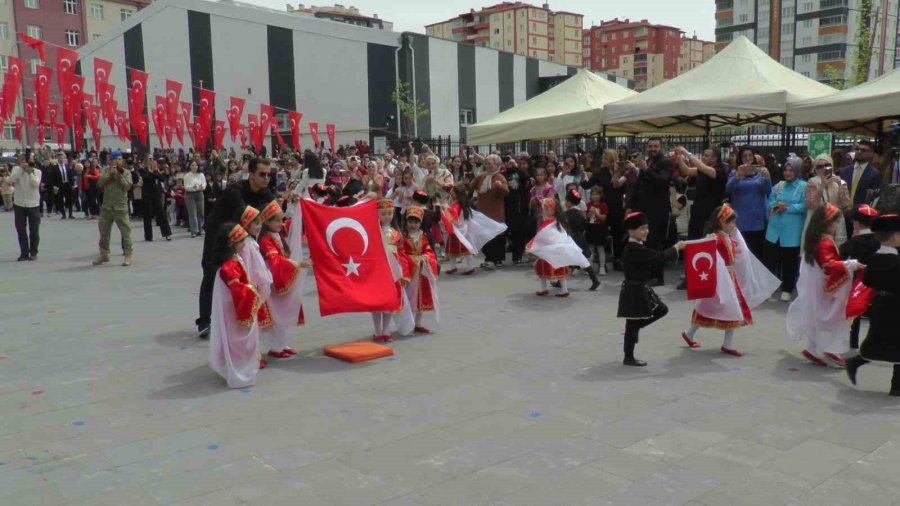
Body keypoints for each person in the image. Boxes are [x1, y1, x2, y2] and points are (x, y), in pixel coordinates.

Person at [197, 158, 275, 338]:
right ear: (251, 174)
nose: (266, 178)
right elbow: (244, 213)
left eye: (269, 175)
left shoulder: (265, 193)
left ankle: (238, 317)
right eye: (262, 174)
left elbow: (275, 212)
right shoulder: (235, 190)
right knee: (211, 274)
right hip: (218, 235)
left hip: (240, 238)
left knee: (242, 277)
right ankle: (204, 322)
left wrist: (294, 202)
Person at [786, 204, 862, 367]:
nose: (836, 227)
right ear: (826, 223)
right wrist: (851, 264)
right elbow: (829, 265)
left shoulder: (816, 239)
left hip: (818, 284)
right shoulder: (824, 242)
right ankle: (826, 348)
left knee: (817, 315)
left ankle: (814, 349)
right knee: (829, 316)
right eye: (835, 223)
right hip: (825, 286)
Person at [681, 205, 752, 356]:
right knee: (711, 307)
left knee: (728, 309)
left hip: (730, 279)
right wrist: (683, 245)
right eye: (731, 222)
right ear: (722, 223)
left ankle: (723, 343)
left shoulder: (729, 237)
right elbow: (700, 246)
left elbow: (739, 252)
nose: (734, 226)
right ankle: (690, 334)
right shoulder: (716, 238)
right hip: (720, 280)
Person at [617, 212, 686, 366]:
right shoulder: (634, 248)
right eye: (642, 228)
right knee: (633, 323)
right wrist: (676, 247)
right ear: (631, 231)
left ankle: (633, 333)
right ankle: (628, 357)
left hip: (639, 288)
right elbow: (660, 258)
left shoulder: (636, 246)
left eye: (647, 228)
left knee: (660, 310)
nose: (646, 231)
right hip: (634, 291)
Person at [845, 214, 900, 396]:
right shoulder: (896, 261)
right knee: (891, 342)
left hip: (878, 303)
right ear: (893, 236)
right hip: (895, 306)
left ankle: (856, 362)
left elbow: (867, 280)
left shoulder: (874, 259)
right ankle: (896, 386)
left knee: (878, 339)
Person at [208, 223, 262, 389]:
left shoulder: (234, 260)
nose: (244, 245)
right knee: (237, 340)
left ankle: (236, 366)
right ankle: (239, 371)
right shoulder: (230, 265)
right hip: (234, 309)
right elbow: (237, 290)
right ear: (232, 244)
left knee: (235, 340)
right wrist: (253, 289)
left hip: (234, 306)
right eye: (241, 242)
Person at [258, 200, 308, 359]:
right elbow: (275, 262)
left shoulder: (278, 234)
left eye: (281, 219)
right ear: (267, 221)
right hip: (274, 280)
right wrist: (299, 264)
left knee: (284, 311)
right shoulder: (266, 240)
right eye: (277, 220)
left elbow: (294, 222)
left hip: (282, 277)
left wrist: (300, 203)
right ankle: (275, 346)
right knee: (276, 313)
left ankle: (283, 344)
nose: (281, 223)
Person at [627, 138, 673, 286]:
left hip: (658, 211)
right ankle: (648, 274)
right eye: (650, 146)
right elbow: (638, 186)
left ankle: (658, 277)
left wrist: (647, 169)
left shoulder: (665, 163)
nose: (653, 149)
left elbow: (662, 181)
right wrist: (630, 206)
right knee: (645, 242)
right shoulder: (648, 162)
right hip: (644, 210)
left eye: (656, 146)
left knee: (655, 243)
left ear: (660, 147)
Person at [764, 157, 807, 301]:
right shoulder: (778, 185)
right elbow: (770, 200)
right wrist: (775, 205)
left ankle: (787, 288)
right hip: (774, 229)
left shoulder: (803, 186)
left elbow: (804, 206)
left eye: (791, 170)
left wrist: (788, 208)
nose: (788, 173)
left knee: (789, 260)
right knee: (771, 259)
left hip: (792, 230)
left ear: (797, 171)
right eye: (786, 170)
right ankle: (769, 287)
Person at [527, 198, 589, 297]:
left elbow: (542, 234)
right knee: (554, 267)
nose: (544, 211)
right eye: (544, 208)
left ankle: (554, 289)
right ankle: (559, 289)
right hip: (552, 249)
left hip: (550, 250)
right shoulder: (557, 220)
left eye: (546, 209)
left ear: (553, 210)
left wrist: (533, 244)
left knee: (547, 267)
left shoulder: (550, 222)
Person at [236, 205, 274, 369]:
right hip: (252, 287)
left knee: (253, 325)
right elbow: (250, 266)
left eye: (259, 223)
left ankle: (253, 355)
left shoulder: (250, 242)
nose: (258, 226)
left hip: (254, 287)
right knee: (251, 326)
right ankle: (251, 357)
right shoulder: (247, 244)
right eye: (255, 223)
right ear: (246, 225)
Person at [839, 204, 881, 349]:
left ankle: (853, 342)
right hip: (877, 284)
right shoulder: (880, 240)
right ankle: (875, 344)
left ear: (856, 223)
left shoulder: (852, 243)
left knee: (854, 314)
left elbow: (840, 259)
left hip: (857, 284)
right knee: (876, 315)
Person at [373, 198, 413, 342]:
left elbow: (402, 254)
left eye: (389, 213)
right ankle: (377, 331)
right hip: (379, 272)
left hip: (393, 273)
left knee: (390, 301)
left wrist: (404, 274)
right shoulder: (374, 232)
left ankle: (386, 330)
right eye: (383, 214)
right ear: (377, 215)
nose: (386, 217)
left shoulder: (397, 233)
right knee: (377, 302)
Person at [725, 146, 772, 259]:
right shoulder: (734, 173)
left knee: (756, 253)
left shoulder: (760, 172)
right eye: (744, 156)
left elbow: (768, 190)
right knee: (741, 254)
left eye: (750, 155)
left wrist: (767, 178)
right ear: (740, 158)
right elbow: (728, 189)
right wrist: (738, 176)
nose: (747, 158)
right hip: (740, 218)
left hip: (756, 218)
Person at [93, 151, 134, 267]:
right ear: (111, 161)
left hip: (120, 207)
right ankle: (104, 254)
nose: (119, 161)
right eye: (117, 159)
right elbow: (99, 183)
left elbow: (127, 186)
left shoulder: (125, 172)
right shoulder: (106, 170)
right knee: (104, 231)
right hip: (107, 207)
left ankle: (128, 255)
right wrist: (110, 175)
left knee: (125, 232)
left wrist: (119, 177)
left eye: (121, 159)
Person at [402, 206, 439, 334]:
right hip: (410, 272)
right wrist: (413, 259)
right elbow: (401, 254)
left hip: (422, 271)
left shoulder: (423, 235)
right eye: (410, 221)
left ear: (420, 223)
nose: (413, 225)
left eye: (416, 222)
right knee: (409, 298)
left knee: (421, 299)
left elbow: (428, 250)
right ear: (406, 221)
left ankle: (417, 323)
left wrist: (426, 257)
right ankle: (408, 323)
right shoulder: (402, 236)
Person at [470, 154, 509, 269]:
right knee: (484, 236)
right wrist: (468, 182)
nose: (487, 166)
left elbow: (505, 192)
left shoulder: (500, 177)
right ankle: (490, 258)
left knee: (495, 236)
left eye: (490, 163)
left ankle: (494, 259)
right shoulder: (481, 176)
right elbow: (472, 186)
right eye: (486, 163)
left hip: (495, 211)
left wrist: (500, 187)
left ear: (497, 165)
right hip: (482, 211)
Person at [804, 154, 851, 246]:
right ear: (815, 168)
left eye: (827, 165)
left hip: (835, 220)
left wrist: (840, 184)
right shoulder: (812, 182)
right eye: (820, 166)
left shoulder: (840, 181)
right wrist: (821, 187)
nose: (824, 168)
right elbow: (811, 204)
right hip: (817, 220)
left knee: (835, 249)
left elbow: (845, 204)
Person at [563, 189, 601, 291]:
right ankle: (560, 281)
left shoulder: (568, 214)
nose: (565, 203)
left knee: (573, 261)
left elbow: (565, 227)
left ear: (569, 202)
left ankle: (595, 280)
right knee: (575, 261)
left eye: (566, 201)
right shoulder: (580, 213)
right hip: (580, 239)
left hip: (572, 240)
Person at [7, 159, 42, 261]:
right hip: (19, 203)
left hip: (33, 204)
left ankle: (34, 252)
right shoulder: (16, 170)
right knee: (21, 229)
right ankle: (24, 253)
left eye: (27, 162)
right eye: (23, 162)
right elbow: (10, 180)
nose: (25, 164)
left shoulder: (37, 171)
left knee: (34, 230)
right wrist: (21, 170)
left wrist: (29, 172)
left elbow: (35, 184)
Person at [443, 184, 477, 275]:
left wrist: (445, 209)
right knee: (453, 248)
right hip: (459, 228)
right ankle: (454, 267)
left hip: (459, 229)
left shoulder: (457, 205)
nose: (450, 194)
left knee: (465, 248)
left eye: (452, 193)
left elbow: (453, 217)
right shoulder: (460, 204)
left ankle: (469, 267)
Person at [840, 140, 881, 209]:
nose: (859, 152)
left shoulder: (875, 174)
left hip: (861, 214)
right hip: (843, 211)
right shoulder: (844, 171)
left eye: (863, 150)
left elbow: (874, 198)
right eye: (857, 149)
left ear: (871, 154)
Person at [140, 157, 172, 242]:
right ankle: (148, 236)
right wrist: (152, 172)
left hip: (156, 193)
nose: (152, 160)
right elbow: (146, 179)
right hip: (147, 194)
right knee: (147, 215)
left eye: (152, 159)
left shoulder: (156, 169)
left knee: (161, 212)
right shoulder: (143, 169)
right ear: (146, 161)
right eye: (149, 158)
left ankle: (167, 233)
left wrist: (156, 171)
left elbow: (161, 178)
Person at [585, 186, 609, 276]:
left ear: (600, 195)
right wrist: (590, 213)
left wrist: (596, 213)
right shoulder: (588, 205)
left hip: (600, 228)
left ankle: (602, 267)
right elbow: (585, 218)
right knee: (590, 248)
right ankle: (590, 267)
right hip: (590, 228)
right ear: (590, 195)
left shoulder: (603, 205)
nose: (595, 196)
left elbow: (604, 219)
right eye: (593, 194)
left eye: (597, 194)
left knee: (600, 248)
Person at [184, 160, 207, 238]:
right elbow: (186, 187)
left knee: (201, 212)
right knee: (192, 214)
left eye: (196, 165)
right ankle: (194, 231)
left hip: (200, 194)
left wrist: (202, 186)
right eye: (192, 165)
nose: (194, 167)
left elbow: (204, 184)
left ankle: (201, 229)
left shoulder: (201, 174)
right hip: (190, 195)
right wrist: (193, 188)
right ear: (190, 166)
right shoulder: (187, 175)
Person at [51, 152, 76, 219]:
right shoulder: (55, 167)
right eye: (59, 158)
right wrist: (54, 186)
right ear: (57, 159)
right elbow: (53, 177)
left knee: (69, 199)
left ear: (64, 159)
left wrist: (73, 185)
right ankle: (63, 214)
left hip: (67, 184)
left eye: (62, 158)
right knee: (60, 200)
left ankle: (70, 214)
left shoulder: (67, 166)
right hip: (59, 185)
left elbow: (70, 176)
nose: (61, 159)